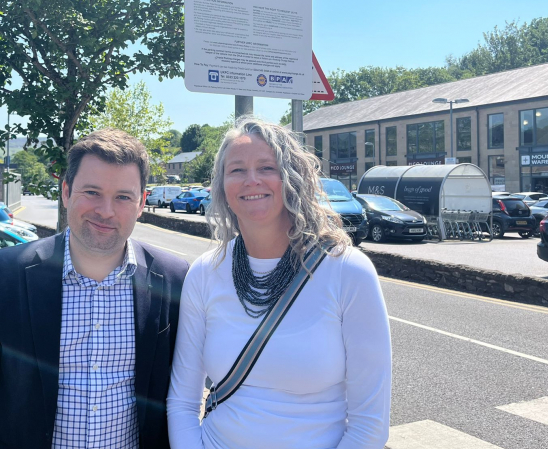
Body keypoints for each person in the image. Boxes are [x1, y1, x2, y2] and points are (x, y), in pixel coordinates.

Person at [0, 128, 190, 449]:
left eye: (123, 197)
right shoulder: (2, 273)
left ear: (141, 204)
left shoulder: (174, 277)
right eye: (92, 192)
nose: (106, 210)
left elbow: (178, 387)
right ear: (65, 192)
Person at [167, 117, 392, 449]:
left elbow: (369, 424)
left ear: (292, 178)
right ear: (222, 185)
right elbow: (182, 403)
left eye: (267, 167)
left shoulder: (347, 271)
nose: (251, 180)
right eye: (237, 170)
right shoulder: (204, 273)